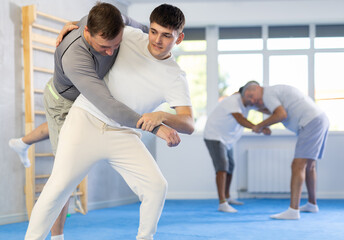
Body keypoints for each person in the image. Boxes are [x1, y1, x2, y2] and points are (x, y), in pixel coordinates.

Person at [25, 3, 194, 240]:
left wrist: (163, 116)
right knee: (57, 188)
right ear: (149, 28)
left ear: (179, 38)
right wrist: (75, 23)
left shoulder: (176, 77)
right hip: (86, 120)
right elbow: (103, 18)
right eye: (154, 31)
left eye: (167, 36)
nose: (157, 40)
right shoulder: (130, 35)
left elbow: (189, 123)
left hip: (124, 134)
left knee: (157, 186)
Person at [242, 82, 329, 220]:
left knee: (297, 165)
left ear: (257, 87)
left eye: (251, 96)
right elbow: (272, 111)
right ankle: (312, 204)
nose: (252, 101)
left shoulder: (268, 94)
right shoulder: (274, 93)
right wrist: (257, 113)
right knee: (310, 166)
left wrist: (259, 125)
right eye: (249, 100)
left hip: (310, 122)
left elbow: (281, 114)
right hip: (319, 119)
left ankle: (293, 211)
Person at [204, 85, 271, 213]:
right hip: (214, 136)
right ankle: (222, 203)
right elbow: (240, 119)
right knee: (222, 166)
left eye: (255, 96)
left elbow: (265, 110)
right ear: (244, 93)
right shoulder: (233, 101)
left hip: (227, 139)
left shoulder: (249, 102)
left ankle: (227, 197)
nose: (253, 100)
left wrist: (277, 110)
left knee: (230, 166)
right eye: (250, 96)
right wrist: (259, 128)